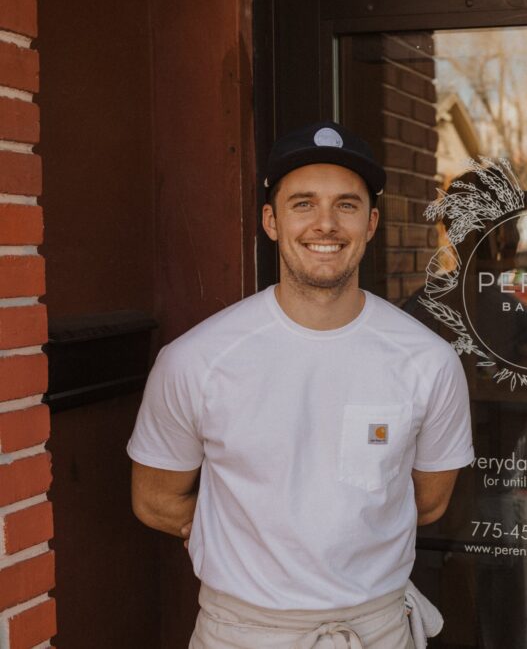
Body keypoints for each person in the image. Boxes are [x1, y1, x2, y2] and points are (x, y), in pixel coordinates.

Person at [128, 121, 475, 648]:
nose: (326, 224)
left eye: (347, 205)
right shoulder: (196, 360)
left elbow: (427, 502)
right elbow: (155, 499)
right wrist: (252, 541)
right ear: (271, 220)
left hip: (375, 631)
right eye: (303, 203)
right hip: (241, 635)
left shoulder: (427, 359)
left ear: (372, 222)